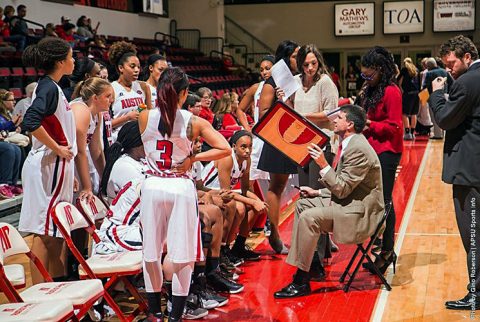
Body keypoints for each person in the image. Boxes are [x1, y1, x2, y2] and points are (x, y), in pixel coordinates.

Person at [138, 67, 231, 321]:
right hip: (179, 186)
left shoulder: (144, 117)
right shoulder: (194, 122)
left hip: (153, 185)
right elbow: (224, 148)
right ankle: (176, 316)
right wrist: (194, 158)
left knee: (151, 253)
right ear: (184, 93)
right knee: (183, 255)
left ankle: (154, 313)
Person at [274, 105, 384, 298]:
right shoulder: (351, 143)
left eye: (339, 117)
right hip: (350, 203)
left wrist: (323, 164)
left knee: (309, 217)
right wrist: (317, 192)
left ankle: (301, 280)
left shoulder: (358, 149)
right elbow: (346, 186)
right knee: (303, 204)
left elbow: (341, 189)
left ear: (349, 124)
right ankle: (314, 265)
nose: (334, 120)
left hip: (360, 213)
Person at [18, 38, 76, 284]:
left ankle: (58, 285)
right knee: (43, 232)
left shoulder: (53, 86)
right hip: (47, 165)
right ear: (61, 62)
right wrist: (58, 148)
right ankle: (40, 293)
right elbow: (31, 122)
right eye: (71, 57)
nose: (74, 61)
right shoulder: (48, 88)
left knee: (54, 231)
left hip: (53, 165)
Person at [429, 35, 480, 310]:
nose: (448, 70)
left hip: (469, 171)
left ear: (467, 57)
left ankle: (476, 293)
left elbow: (446, 119)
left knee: (473, 236)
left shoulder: (467, 81)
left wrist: (437, 95)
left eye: (451, 64)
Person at [356, 46, 403, 275]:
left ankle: (387, 250)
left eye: (369, 75)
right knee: (376, 199)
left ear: (381, 70)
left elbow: (395, 127)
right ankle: (381, 246)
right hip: (372, 150)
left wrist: (370, 125)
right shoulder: (370, 89)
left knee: (385, 201)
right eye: (363, 75)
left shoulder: (392, 91)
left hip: (387, 151)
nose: (366, 79)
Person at [257, 40, 300, 254]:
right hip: (278, 139)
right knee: (277, 187)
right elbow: (263, 113)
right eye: (295, 56)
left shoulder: (295, 79)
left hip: (294, 137)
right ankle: (273, 235)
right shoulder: (272, 81)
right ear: (285, 58)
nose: (298, 60)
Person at [96, 121, 145, 254]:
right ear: (137, 143)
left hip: (134, 222)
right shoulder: (125, 166)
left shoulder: (134, 161)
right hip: (124, 227)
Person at [71, 77, 112, 200]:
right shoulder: (81, 110)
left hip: (70, 161)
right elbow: (79, 151)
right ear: (95, 98)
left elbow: (96, 150)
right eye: (108, 96)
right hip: (55, 161)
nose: (111, 100)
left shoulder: (98, 114)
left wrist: (105, 182)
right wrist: (86, 187)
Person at [236, 55, 274, 183]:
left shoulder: (282, 87)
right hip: (258, 138)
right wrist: (247, 129)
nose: (264, 72)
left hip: (275, 137)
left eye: (268, 68)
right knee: (252, 177)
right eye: (262, 70)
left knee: (275, 180)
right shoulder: (256, 88)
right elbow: (239, 109)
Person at [108, 41, 151, 142]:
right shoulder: (111, 89)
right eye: (132, 66)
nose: (137, 70)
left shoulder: (144, 87)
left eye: (138, 67)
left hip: (140, 140)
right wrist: (127, 117)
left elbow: (150, 116)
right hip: (119, 141)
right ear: (121, 68)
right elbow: (104, 125)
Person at [423, 57, 454, 140]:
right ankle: (445, 133)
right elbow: (452, 83)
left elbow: (425, 87)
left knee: (435, 116)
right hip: (445, 95)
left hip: (434, 96)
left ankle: (438, 134)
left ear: (427, 66)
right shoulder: (444, 71)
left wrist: (424, 98)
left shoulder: (429, 73)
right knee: (447, 115)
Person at [397, 58, 420, 140]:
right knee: (414, 113)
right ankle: (413, 133)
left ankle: (407, 133)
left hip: (407, 93)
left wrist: (401, 89)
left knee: (405, 113)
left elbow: (398, 80)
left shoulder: (404, 70)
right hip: (416, 93)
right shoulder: (416, 70)